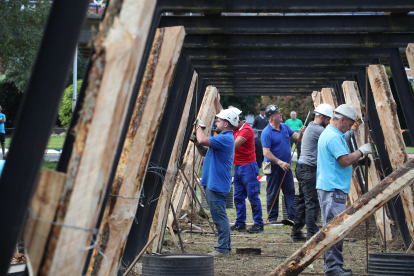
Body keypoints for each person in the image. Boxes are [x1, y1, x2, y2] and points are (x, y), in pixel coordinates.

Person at [317, 104, 372, 276]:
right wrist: (361, 152)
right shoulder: (333, 137)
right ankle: (333, 269)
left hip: (330, 187)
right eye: (349, 124)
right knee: (334, 230)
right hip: (333, 189)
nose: (350, 127)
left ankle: (334, 266)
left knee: (333, 228)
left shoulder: (332, 133)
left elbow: (342, 156)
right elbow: (345, 160)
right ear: (342, 119)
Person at [192, 109, 239, 257]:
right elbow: (206, 151)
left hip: (217, 184)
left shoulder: (225, 138)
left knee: (219, 216)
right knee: (219, 215)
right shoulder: (222, 137)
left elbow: (203, 140)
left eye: (218, 121)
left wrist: (199, 127)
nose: (216, 123)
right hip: (215, 183)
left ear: (226, 123)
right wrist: (197, 144)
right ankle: (225, 246)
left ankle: (222, 249)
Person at [261, 105, 305, 225]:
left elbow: (296, 137)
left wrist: (300, 133)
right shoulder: (266, 132)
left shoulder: (285, 126)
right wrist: (280, 162)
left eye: (280, 112)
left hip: (286, 167)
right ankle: (272, 218)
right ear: (271, 117)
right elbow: (266, 152)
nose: (281, 114)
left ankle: (292, 217)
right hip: (274, 166)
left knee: (290, 191)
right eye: (278, 113)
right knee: (273, 192)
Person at [230, 112, 264, 233]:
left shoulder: (246, 129)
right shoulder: (234, 128)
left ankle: (259, 224)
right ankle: (240, 223)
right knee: (238, 196)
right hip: (238, 166)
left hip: (249, 166)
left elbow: (233, 145)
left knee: (252, 196)